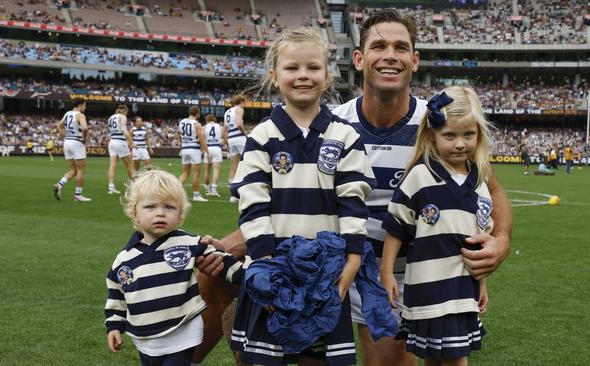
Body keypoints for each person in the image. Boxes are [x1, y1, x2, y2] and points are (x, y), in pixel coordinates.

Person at [196, 9, 512, 365]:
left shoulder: (437, 125)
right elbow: (294, 199)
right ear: (359, 59)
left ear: (415, 60)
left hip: (403, 273)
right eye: (379, 46)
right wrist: (232, 246)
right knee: (212, 272)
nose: (390, 55)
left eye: (401, 47)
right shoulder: (332, 124)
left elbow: (493, 189)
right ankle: (183, 356)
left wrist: (500, 242)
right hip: (330, 256)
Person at [228, 28, 375, 365]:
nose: (303, 76)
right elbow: (252, 203)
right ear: (274, 77)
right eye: (292, 68)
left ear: (326, 76)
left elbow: (353, 202)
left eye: (312, 67)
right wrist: (265, 267)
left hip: (326, 273)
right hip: (273, 267)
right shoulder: (262, 136)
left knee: (318, 360)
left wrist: (351, 261)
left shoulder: (346, 136)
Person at [380, 86, 490, 364]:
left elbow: (480, 244)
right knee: (444, 358)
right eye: (449, 135)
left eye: (468, 134)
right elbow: (396, 228)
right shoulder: (420, 175)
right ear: (433, 136)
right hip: (427, 288)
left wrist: (483, 284)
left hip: (462, 290)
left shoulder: (480, 184)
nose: (460, 143)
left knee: (448, 357)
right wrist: (387, 272)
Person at [104, 169, 243, 366]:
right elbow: (116, 295)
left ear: (180, 215)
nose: (160, 212)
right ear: (134, 214)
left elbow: (221, 261)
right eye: (150, 207)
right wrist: (114, 326)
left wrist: (249, 277)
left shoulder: (188, 243)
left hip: (182, 334)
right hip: (144, 339)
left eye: (169, 207)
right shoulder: (124, 260)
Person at [52, 98, 92, 202]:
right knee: (81, 170)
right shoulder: (80, 115)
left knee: (73, 170)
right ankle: (78, 196)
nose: (85, 107)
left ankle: (59, 185)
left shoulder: (67, 114)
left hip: (67, 143)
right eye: (84, 105)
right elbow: (85, 128)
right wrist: (83, 139)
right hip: (77, 143)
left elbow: (58, 126)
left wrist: (66, 135)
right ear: (80, 105)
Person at [177, 106, 209, 202]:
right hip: (194, 149)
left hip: (185, 149)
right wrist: (207, 151)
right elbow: (201, 139)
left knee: (185, 172)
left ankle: (175, 192)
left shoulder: (182, 122)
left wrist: (182, 142)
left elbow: (178, 134)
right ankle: (196, 195)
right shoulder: (196, 124)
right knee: (196, 173)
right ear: (198, 114)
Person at [107, 105, 135, 194]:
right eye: (127, 112)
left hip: (112, 142)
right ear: (124, 111)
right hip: (120, 142)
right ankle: (134, 186)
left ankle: (111, 187)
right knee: (130, 165)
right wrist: (131, 142)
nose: (127, 113)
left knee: (112, 165)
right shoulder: (122, 117)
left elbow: (110, 131)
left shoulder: (111, 117)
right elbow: (123, 130)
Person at [225, 94, 248, 202]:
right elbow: (239, 123)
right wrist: (246, 134)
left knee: (234, 166)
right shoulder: (239, 109)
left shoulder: (227, 112)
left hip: (230, 138)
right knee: (248, 162)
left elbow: (224, 130)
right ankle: (246, 190)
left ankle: (233, 195)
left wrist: (226, 142)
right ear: (241, 101)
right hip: (239, 137)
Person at [202, 114, 226, 197]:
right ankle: (214, 189)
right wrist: (224, 142)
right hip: (216, 148)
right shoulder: (220, 127)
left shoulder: (204, 127)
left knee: (207, 171)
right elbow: (225, 137)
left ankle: (207, 190)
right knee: (216, 170)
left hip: (208, 148)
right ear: (214, 119)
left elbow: (202, 139)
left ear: (206, 120)